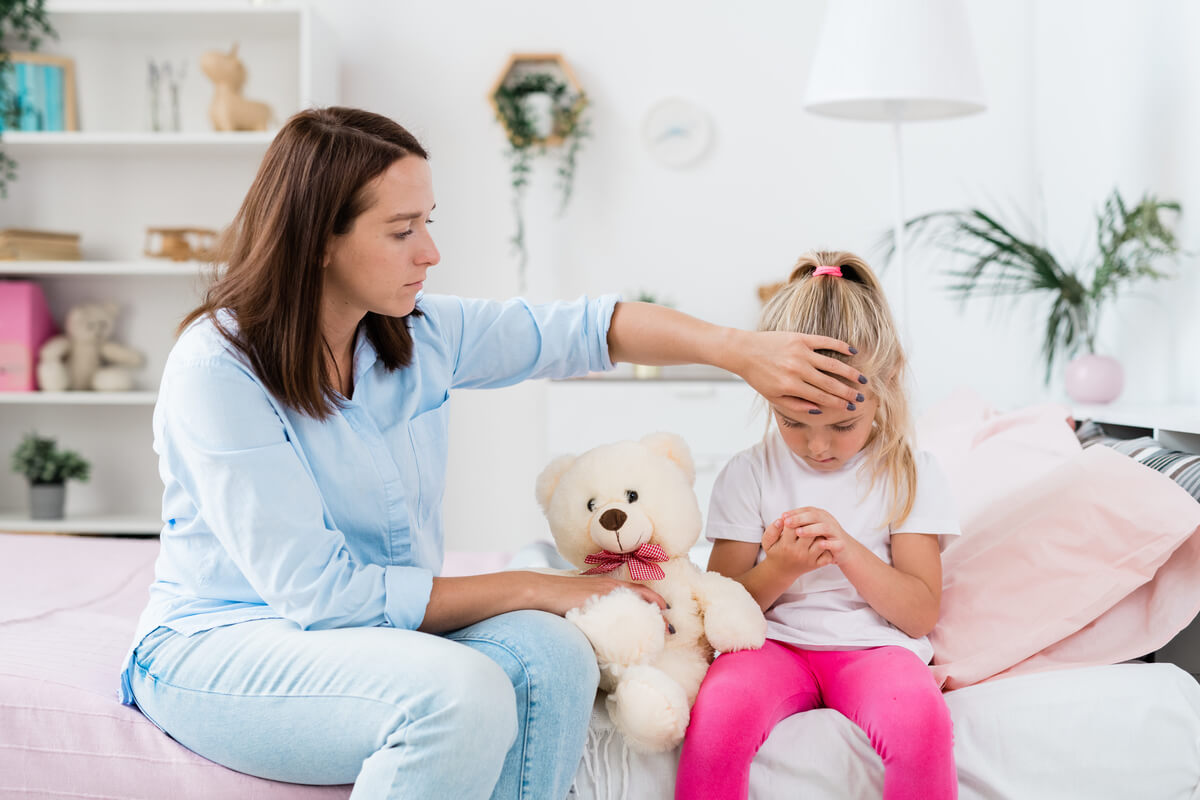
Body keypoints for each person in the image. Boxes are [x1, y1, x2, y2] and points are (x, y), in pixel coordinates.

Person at [116, 107, 869, 800]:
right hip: (221, 646)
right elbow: (325, 600)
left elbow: (589, 330)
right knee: (460, 693)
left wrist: (739, 352)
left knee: (555, 657)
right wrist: (538, 585)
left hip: (373, 635)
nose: (432, 251)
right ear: (319, 240)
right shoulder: (217, 368)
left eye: (428, 222)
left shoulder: (419, 335)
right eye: (402, 228)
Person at [675, 252, 962, 800]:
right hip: (773, 644)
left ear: (888, 381)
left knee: (921, 723)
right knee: (715, 716)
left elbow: (920, 611)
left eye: (843, 423)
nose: (818, 446)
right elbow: (720, 609)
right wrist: (781, 567)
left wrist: (849, 551)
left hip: (874, 650)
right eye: (792, 421)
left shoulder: (910, 474)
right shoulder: (749, 473)